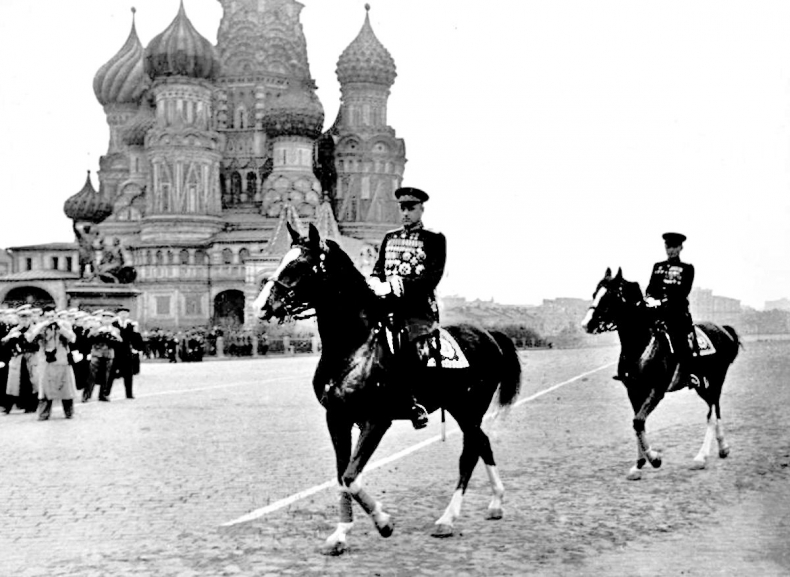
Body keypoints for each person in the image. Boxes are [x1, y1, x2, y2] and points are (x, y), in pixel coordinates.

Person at [368, 187, 446, 429]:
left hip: (417, 309)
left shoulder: (433, 238)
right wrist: (375, 282)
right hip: (386, 306)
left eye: (411, 208)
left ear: (421, 209)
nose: (405, 213)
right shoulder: (389, 238)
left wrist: (397, 285)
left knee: (409, 346)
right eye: (402, 208)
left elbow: (432, 277)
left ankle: (415, 403)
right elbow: (379, 268)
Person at [645, 232, 696, 390]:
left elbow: (683, 292)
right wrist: (650, 299)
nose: (671, 250)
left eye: (674, 247)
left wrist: (662, 301)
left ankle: (689, 375)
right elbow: (650, 288)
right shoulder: (657, 267)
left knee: (680, 342)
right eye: (668, 246)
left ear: (681, 247)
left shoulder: (686, 268)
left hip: (676, 313)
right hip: (656, 312)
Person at [26, 306, 78, 420]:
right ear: (43, 317)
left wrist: (60, 328)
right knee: (45, 388)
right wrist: (41, 326)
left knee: (66, 387)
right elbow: (29, 338)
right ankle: (44, 414)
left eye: (52, 316)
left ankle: (69, 412)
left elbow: (72, 338)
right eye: (47, 317)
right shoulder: (39, 326)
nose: (50, 319)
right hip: (46, 361)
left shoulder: (64, 325)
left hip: (62, 359)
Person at [83, 311, 122, 402]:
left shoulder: (115, 330)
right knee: (92, 375)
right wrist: (99, 332)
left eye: (109, 319)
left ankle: (103, 394)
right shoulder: (96, 328)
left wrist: (114, 335)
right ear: (102, 319)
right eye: (105, 318)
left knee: (107, 376)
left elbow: (120, 341)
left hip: (108, 354)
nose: (107, 321)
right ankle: (87, 395)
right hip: (97, 353)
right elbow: (89, 337)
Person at [111, 307, 142, 399]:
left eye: (125, 313)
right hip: (115, 352)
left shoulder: (131, 325)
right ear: (118, 314)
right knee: (111, 374)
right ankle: (106, 392)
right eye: (121, 313)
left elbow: (136, 338)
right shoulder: (113, 324)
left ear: (128, 315)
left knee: (128, 374)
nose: (123, 315)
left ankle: (129, 393)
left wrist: (137, 348)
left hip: (127, 352)